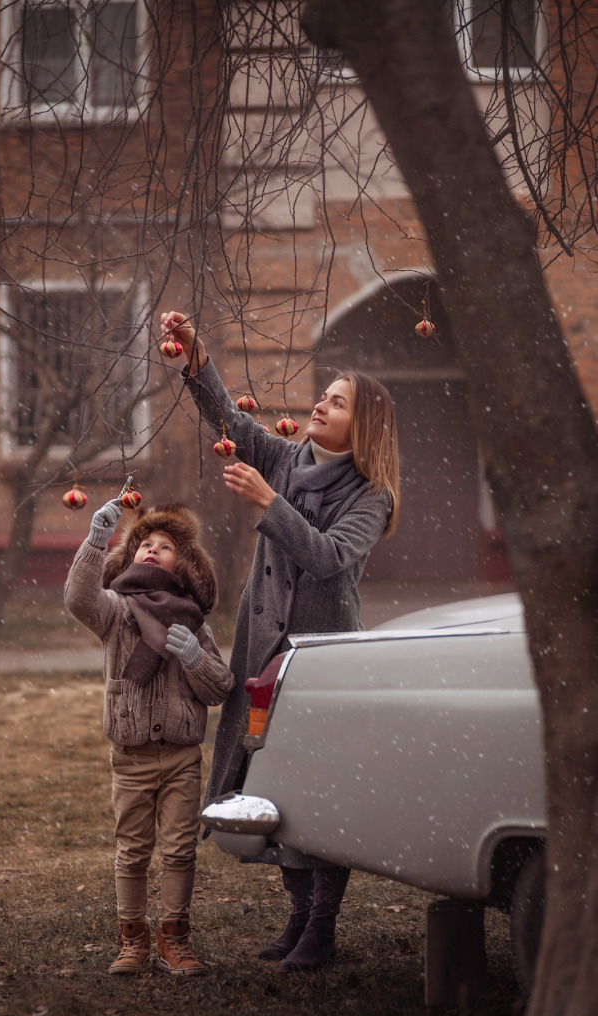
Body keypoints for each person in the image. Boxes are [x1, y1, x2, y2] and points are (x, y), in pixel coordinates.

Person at [159, 308, 400, 973]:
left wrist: (270, 504)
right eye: (323, 396)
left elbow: (327, 558)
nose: (320, 404)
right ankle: (297, 913)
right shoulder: (287, 455)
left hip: (319, 660)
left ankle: (321, 924)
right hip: (263, 647)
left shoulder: (370, 495)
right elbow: (231, 424)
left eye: (337, 401)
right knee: (273, 788)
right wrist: (196, 358)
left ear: (364, 424)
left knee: (317, 790)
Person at [64, 500, 234, 976]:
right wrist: (97, 542)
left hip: (181, 756)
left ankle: (174, 938)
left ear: (185, 565)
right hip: (131, 755)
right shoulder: (115, 611)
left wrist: (194, 659)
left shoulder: (192, 622)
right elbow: (79, 598)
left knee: (180, 849)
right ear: (130, 555)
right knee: (133, 850)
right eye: (144, 544)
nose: (153, 550)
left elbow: (220, 686)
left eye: (166, 546)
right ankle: (132, 939)